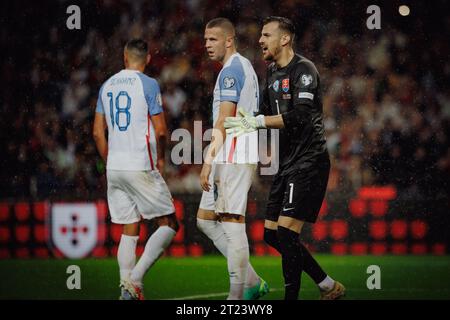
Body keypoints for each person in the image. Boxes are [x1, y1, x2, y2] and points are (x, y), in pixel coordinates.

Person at [224, 16, 345, 300]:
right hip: (286, 163)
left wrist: (260, 122)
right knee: (271, 235)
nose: (260, 40)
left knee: (287, 234)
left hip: (309, 161)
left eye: (266, 35)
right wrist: (248, 120)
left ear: (285, 39)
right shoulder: (272, 73)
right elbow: (263, 112)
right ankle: (327, 285)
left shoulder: (304, 69)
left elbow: (301, 116)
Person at [93, 39, 179, 300]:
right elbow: (162, 131)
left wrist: (111, 160)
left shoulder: (106, 85)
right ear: (148, 59)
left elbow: (97, 133)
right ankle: (136, 280)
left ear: (124, 57)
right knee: (170, 223)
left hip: (115, 167)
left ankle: (125, 291)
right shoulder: (148, 84)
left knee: (130, 228)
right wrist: (161, 158)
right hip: (139, 164)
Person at [197, 18, 269, 300]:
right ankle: (250, 280)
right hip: (235, 148)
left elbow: (225, 118)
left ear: (229, 40)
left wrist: (207, 160)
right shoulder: (243, 66)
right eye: (205, 40)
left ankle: (236, 297)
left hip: (234, 150)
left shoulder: (230, 71)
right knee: (206, 220)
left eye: (212, 39)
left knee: (231, 219)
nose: (206, 45)